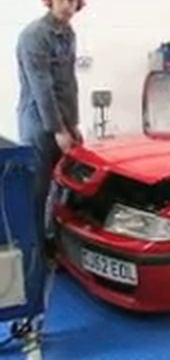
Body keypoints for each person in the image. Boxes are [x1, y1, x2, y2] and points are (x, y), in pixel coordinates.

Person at [16, 0, 84, 248]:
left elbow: (69, 83)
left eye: (73, 1)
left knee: (65, 187)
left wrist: (73, 123)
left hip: (63, 123)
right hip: (39, 124)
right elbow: (42, 88)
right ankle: (34, 251)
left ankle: (56, 243)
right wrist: (58, 130)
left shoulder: (68, 33)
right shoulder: (34, 36)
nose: (69, 6)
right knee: (38, 190)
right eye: (63, 0)